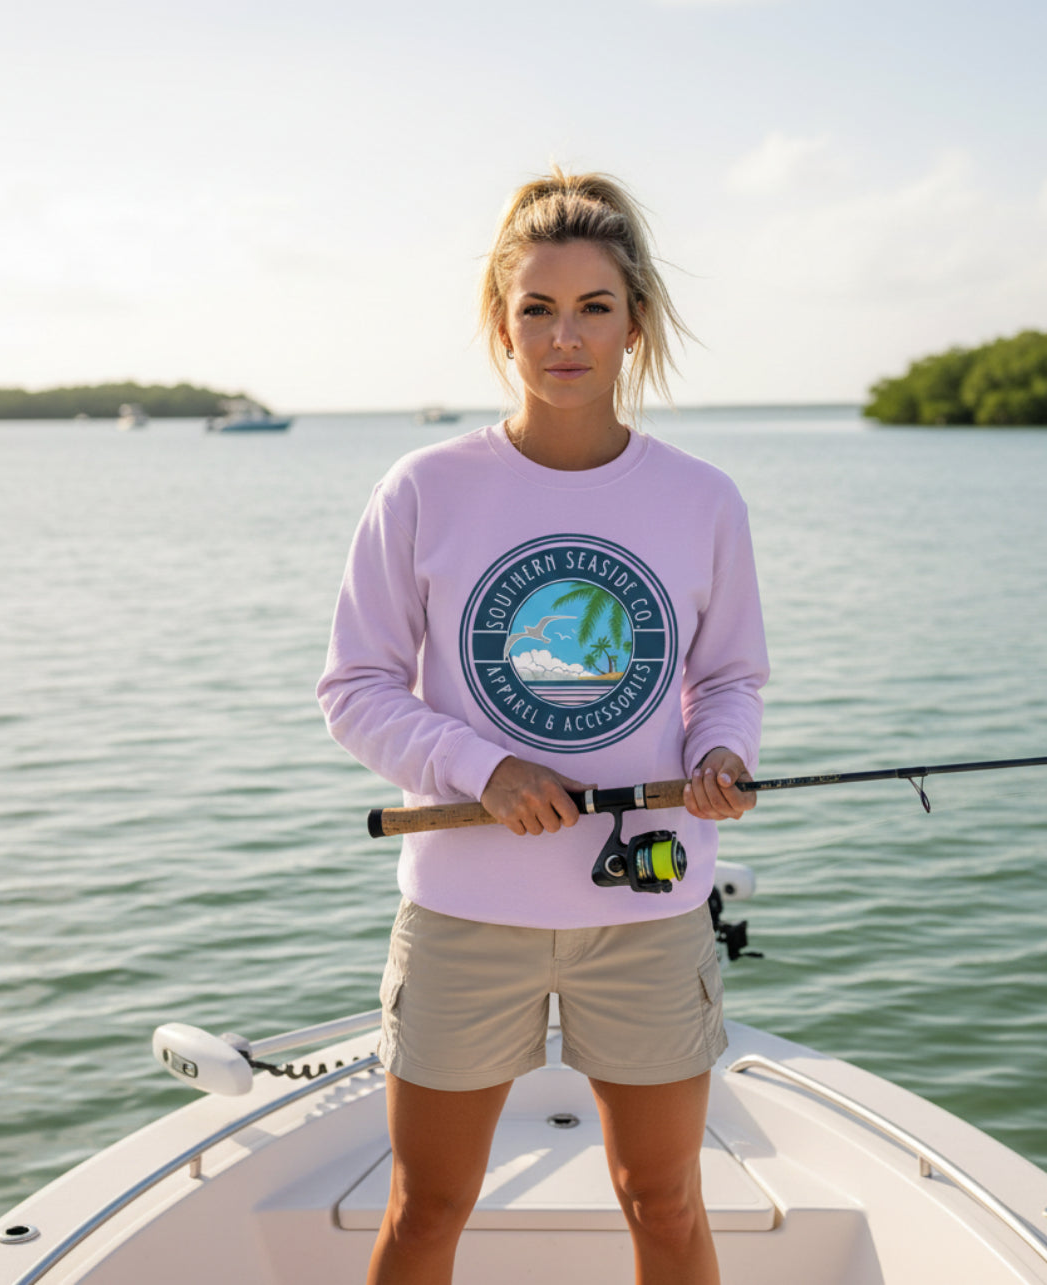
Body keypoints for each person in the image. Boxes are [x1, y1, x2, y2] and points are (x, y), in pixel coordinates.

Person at [317, 167, 769, 1285]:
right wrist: (485, 765)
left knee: (663, 1202)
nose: (564, 336)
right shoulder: (423, 487)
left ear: (636, 325)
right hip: (467, 913)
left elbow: (729, 677)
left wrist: (723, 754)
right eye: (537, 307)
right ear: (499, 320)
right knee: (426, 1210)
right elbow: (356, 685)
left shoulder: (702, 499)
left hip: (650, 907)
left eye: (594, 308)